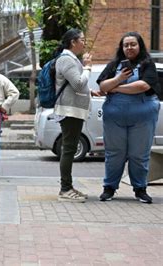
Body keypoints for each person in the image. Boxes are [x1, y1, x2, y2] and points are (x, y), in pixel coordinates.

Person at [97, 32, 161, 204]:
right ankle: (109, 188)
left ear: (139, 46)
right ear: (122, 48)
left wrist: (115, 87)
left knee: (139, 154)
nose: (129, 48)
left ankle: (140, 189)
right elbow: (103, 85)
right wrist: (119, 78)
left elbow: (142, 85)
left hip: (142, 117)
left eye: (133, 44)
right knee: (114, 153)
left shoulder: (148, 65)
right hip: (114, 117)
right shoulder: (114, 65)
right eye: (126, 45)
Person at [53, 28, 92, 203]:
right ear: (73, 42)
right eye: (82, 39)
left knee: (69, 148)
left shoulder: (70, 59)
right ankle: (65, 189)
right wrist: (88, 68)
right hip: (70, 111)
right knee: (69, 149)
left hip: (73, 110)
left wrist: (91, 92)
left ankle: (68, 186)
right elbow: (77, 83)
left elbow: (76, 87)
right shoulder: (67, 59)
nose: (84, 42)